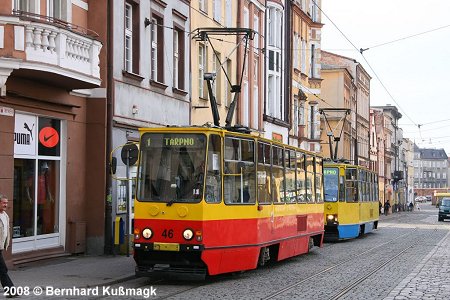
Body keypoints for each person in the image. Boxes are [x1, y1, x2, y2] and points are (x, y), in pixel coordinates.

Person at [0, 194, 16, 298]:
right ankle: (11, 291)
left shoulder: (5, 215)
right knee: (3, 269)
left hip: (0, 247)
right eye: (3, 202)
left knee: (2, 269)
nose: (6, 204)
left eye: (6, 202)